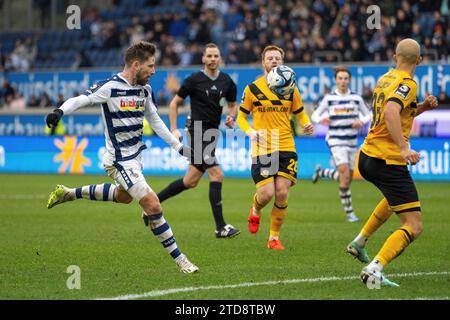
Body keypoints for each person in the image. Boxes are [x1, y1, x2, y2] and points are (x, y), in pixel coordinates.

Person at [45, 41, 199, 274]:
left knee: (125, 197)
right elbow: (81, 99)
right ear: (136, 65)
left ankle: (69, 193)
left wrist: (178, 147)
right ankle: (181, 260)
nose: (154, 71)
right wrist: (60, 111)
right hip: (118, 160)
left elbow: (156, 121)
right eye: (150, 66)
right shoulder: (109, 87)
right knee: (152, 204)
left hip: (136, 158)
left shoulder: (144, 90)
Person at [346, 38, 438, 287]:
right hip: (387, 159)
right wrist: (404, 148)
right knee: (414, 225)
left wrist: (422, 108)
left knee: (393, 200)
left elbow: (397, 110)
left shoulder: (385, 78)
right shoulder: (408, 83)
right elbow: (390, 112)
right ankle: (374, 268)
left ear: (395, 56)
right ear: (419, 60)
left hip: (367, 156)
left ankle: (360, 242)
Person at [156, 43, 240, 239]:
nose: (212, 59)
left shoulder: (228, 82)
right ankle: (220, 228)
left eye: (215, 56)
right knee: (217, 174)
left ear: (220, 58)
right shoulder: (193, 80)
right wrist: (174, 129)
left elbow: (232, 104)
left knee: (190, 181)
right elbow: (174, 103)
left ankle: (152, 205)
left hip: (212, 134)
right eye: (209, 56)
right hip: (196, 131)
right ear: (203, 58)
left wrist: (231, 116)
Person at [237, 45, 314, 250]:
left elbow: (300, 113)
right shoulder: (252, 88)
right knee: (266, 194)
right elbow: (241, 118)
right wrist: (250, 132)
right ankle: (255, 207)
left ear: (283, 61)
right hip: (262, 147)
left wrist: (305, 124)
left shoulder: (291, 88)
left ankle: (273, 238)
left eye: (277, 58)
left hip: (287, 145)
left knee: (282, 193)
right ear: (263, 62)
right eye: (270, 58)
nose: (274, 61)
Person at [310, 66, 372, 223]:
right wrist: (320, 120)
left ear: (349, 80)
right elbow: (315, 114)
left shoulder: (356, 98)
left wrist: (361, 121)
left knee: (347, 178)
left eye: (345, 78)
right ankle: (350, 213)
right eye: (340, 78)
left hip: (351, 141)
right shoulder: (329, 99)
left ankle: (322, 172)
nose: (343, 81)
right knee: (344, 176)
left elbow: (369, 114)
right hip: (335, 140)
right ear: (335, 80)